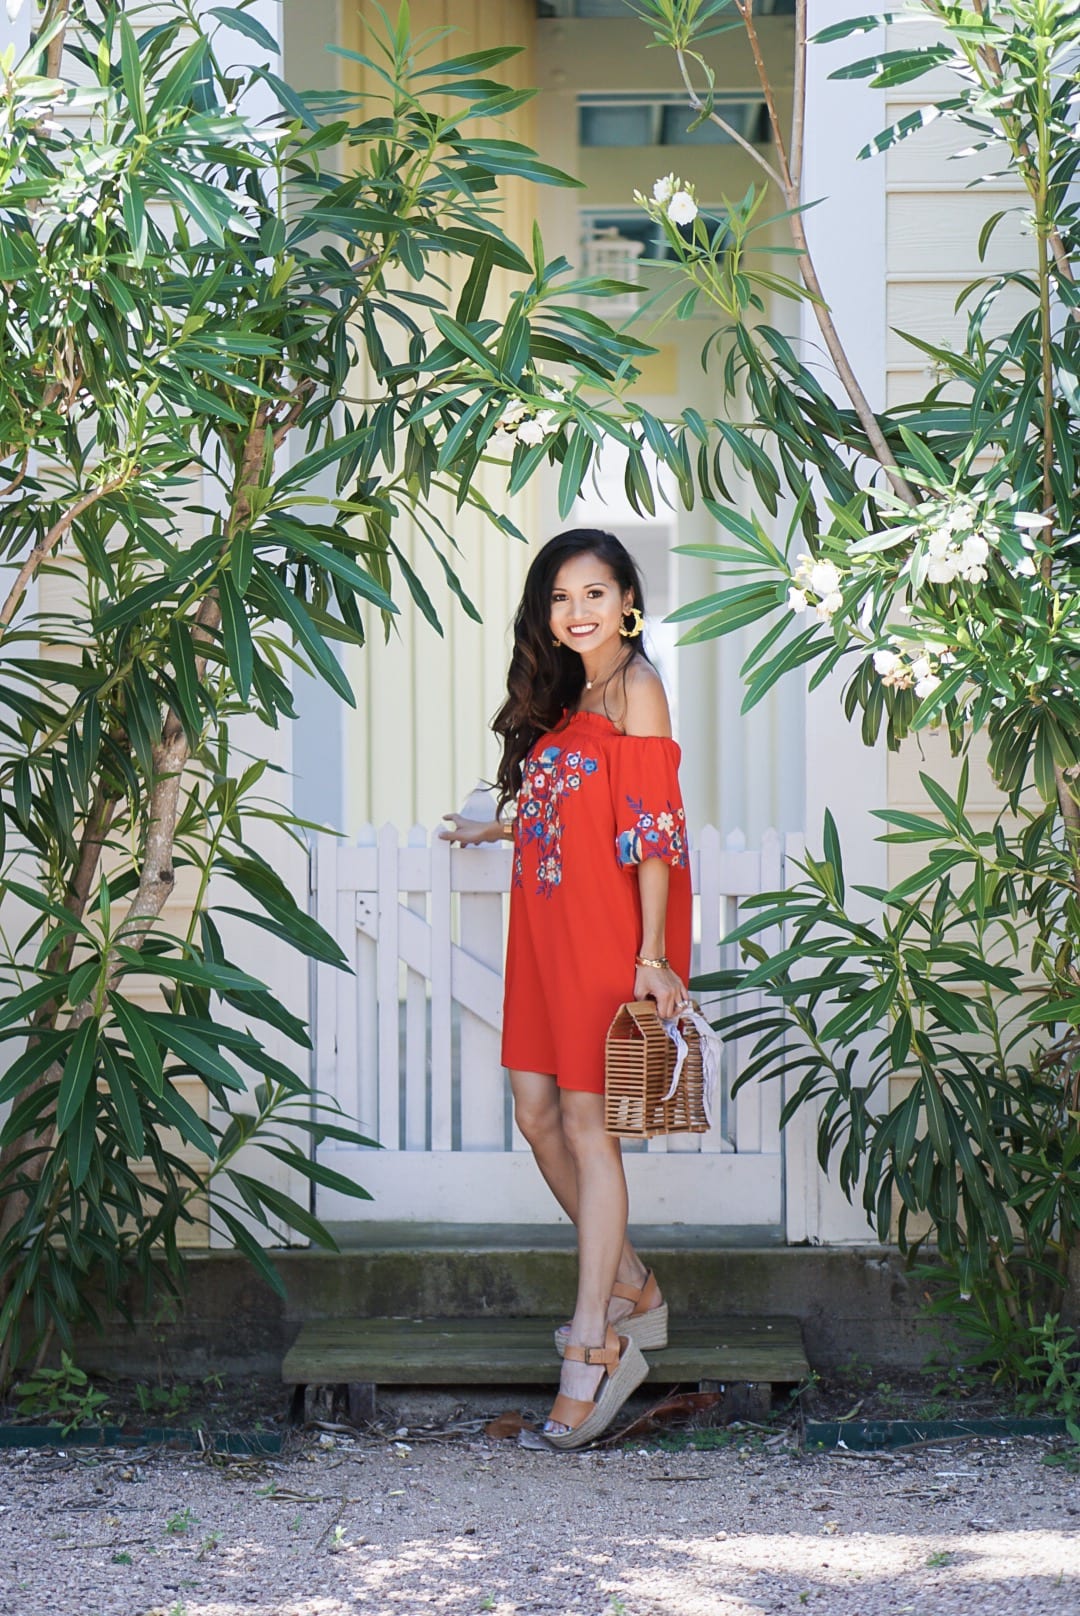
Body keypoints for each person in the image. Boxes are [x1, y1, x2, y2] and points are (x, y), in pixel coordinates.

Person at [441, 528, 691, 1448]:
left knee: (589, 1131)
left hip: (608, 939)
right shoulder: (570, 694)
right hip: (542, 932)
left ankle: (597, 1339)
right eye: (559, 597)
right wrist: (497, 831)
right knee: (537, 1116)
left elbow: (653, 831)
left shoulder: (638, 687)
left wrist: (654, 956)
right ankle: (630, 1281)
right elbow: (570, 812)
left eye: (594, 593)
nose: (575, 612)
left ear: (628, 598)